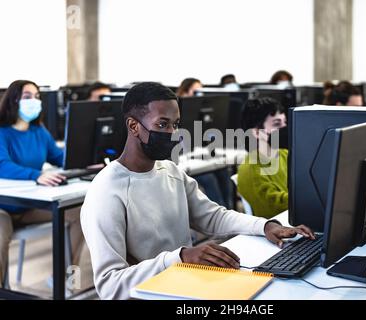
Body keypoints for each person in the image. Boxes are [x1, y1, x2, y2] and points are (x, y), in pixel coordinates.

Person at [80, 82, 315, 299]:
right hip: (156, 292)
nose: (173, 133)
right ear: (133, 126)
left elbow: (212, 216)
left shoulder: (170, 170)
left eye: (176, 125)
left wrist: (265, 226)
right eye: (162, 124)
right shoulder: (106, 191)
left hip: (186, 283)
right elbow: (109, 285)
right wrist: (180, 258)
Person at [0, 80, 85, 286]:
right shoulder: (2, 131)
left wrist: (87, 157)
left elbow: (59, 158)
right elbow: (2, 165)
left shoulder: (39, 131)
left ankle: (65, 280)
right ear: (13, 100)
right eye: (28, 96)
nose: (34, 101)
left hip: (30, 206)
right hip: (3, 207)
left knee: (81, 213)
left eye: (37, 96)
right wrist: (35, 175)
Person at [176, 78, 231, 208]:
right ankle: (220, 216)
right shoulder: (174, 110)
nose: (199, 96)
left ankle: (229, 210)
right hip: (181, 159)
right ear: (184, 92)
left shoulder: (199, 111)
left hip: (196, 156)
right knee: (208, 177)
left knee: (223, 171)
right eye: (196, 92)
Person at [237, 98, 288, 218]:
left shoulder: (285, 154)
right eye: (276, 124)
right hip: (279, 227)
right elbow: (273, 209)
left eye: (284, 122)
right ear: (256, 132)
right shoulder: (251, 169)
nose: (284, 128)